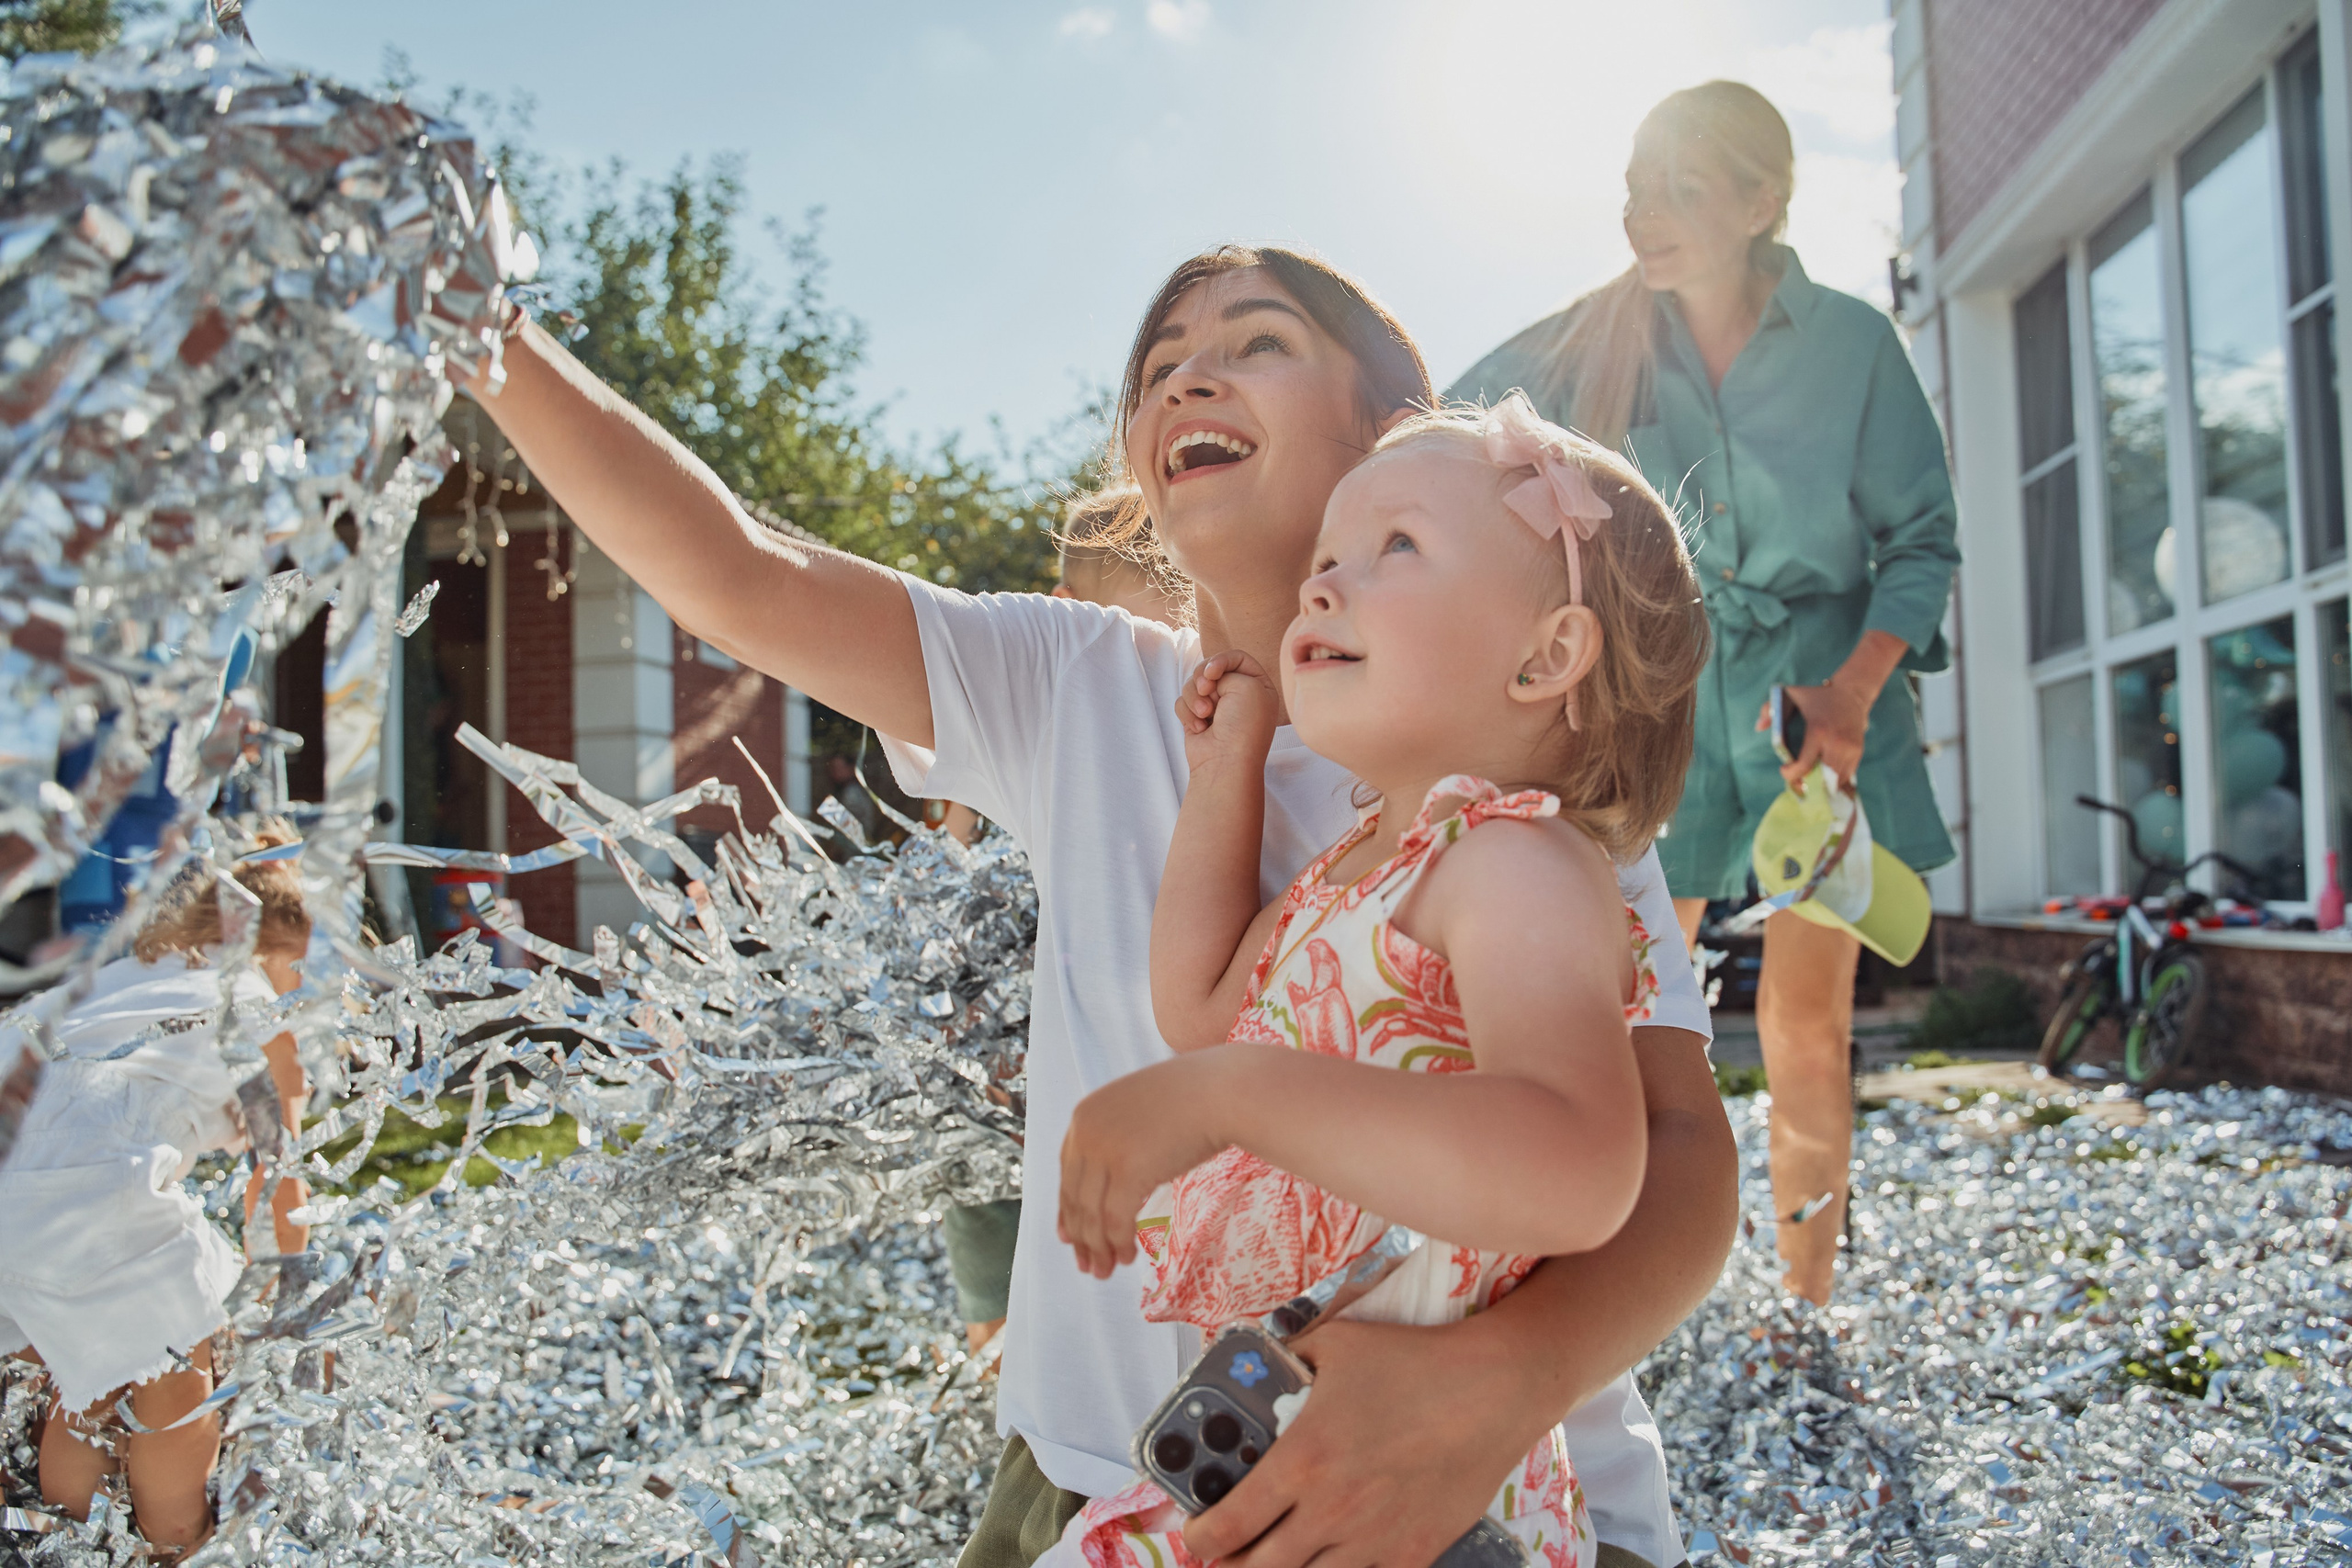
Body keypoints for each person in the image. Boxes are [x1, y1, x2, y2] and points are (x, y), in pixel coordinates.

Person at [468, 241, 1736, 1568]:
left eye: (1258, 341)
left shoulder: (1521, 780)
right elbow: (741, 573)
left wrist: (1506, 1381)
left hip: (1479, 1490)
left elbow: (1672, 1152)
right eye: (1157, 367)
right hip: (1118, 1483)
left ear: (1395, 427)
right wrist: (480, 324)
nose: (1188, 376)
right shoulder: (1087, 685)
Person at [1043, 397, 1708, 1565]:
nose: (1321, 584)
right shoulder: (1358, 873)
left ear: (1546, 655)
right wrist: (1228, 766)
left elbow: (1579, 1167)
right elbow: (1201, 1007)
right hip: (1294, 1459)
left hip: (1419, 1509)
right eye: (1327, 556)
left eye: (1394, 544)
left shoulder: (1514, 862)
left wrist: (1230, 1098)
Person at [1452, 82, 1959, 1306]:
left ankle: (1805, 1303)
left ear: (1761, 200)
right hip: (1660, 708)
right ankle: (1603, 1300)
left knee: (1803, 1026)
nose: (1646, 215)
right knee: (1620, 1019)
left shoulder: (1852, 346)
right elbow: (1440, 422)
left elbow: (1922, 542)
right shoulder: (1588, 340)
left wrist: (1853, 692)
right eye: (1635, 189)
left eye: (1681, 190)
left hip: (1824, 724)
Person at [0, 827, 312, 1554]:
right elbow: (280, 1177)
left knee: (92, 1378)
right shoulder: (258, 1004)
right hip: (96, 1194)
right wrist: (283, 1314)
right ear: (285, 947)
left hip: (16, 1186)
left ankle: (67, 1544)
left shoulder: (126, 974)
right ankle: (178, 1544)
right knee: (174, 1371)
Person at [944, 484, 1184, 1361]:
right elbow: (956, 878)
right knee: (999, 1218)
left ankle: (997, 1349)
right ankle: (991, 1351)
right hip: (1015, 1056)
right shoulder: (1037, 726)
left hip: (1080, 1067)